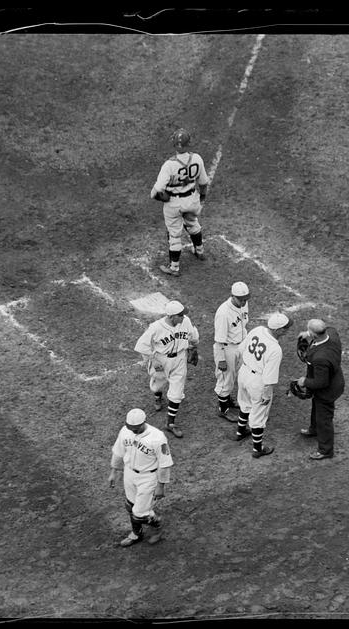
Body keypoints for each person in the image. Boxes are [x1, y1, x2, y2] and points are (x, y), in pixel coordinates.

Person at [134, 300, 200, 439]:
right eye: (180, 315)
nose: (183, 317)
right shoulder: (156, 327)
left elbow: (193, 337)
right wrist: (153, 359)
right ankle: (157, 396)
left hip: (180, 359)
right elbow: (141, 346)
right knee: (157, 385)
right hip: (161, 360)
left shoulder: (185, 321)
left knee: (177, 392)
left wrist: (194, 347)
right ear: (171, 316)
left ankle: (170, 423)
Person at [149, 128, 210, 277]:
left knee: (174, 234)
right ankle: (199, 250)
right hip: (192, 200)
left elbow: (155, 192)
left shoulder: (169, 165)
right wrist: (201, 198)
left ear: (174, 145)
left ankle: (174, 267)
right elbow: (203, 183)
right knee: (193, 223)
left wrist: (164, 198)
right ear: (189, 144)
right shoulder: (197, 158)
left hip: (174, 204)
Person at [109, 408, 174, 547]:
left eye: (136, 428)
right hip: (129, 473)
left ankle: (157, 525)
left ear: (144, 422)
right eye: (130, 428)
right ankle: (136, 534)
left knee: (139, 513)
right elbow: (118, 452)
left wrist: (161, 486)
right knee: (130, 505)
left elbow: (165, 463)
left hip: (148, 477)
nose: (133, 431)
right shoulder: (125, 431)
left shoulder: (158, 437)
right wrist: (114, 471)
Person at [233, 313, 291, 458]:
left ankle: (240, 432)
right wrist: (267, 392)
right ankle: (257, 449)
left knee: (244, 404)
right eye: (285, 328)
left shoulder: (258, 330)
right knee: (259, 414)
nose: (286, 331)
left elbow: (240, 350)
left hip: (244, 372)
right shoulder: (275, 349)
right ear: (277, 330)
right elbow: (270, 376)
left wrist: (241, 370)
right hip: (258, 381)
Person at [295, 319, 345, 460]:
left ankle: (325, 450)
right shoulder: (332, 335)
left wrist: (304, 381)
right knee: (317, 407)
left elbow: (321, 382)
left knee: (324, 419)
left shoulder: (320, 358)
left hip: (328, 390)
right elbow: (330, 327)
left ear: (314, 335)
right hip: (335, 380)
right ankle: (314, 428)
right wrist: (308, 333)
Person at [213, 281, 251, 423]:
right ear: (232, 296)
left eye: (245, 299)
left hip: (241, 345)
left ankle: (227, 400)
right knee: (225, 379)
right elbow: (219, 340)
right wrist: (221, 359)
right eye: (240, 299)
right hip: (226, 348)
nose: (243, 302)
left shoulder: (244, 303)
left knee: (237, 374)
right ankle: (223, 410)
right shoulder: (223, 313)